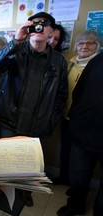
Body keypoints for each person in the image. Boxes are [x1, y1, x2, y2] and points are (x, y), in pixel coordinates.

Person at [0, 12, 68, 207]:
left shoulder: (58, 61)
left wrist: (50, 122)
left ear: (50, 31)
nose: (39, 27)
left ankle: (24, 192)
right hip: (10, 119)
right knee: (5, 160)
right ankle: (1, 190)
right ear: (29, 29)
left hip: (37, 124)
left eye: (44, 25)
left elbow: (61, 95)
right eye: (35, 24)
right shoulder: (16, 51)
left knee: (28, 163)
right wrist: (15, 40)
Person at [52, 30, 101, 186]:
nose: (84, 46)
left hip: (89, 124)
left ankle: (76, 187)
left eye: (90, 43)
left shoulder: (98, 65)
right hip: (67, 118)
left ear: (98, 46)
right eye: (81, 43)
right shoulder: (71, 63)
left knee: (82, 161)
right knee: (66, 151)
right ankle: (65, 178)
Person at [57, 52, 103, 216]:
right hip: (83, 132)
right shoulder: (98, 60)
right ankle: (75, 206)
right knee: (78, 176)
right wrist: (77, 117)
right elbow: (79, 92)